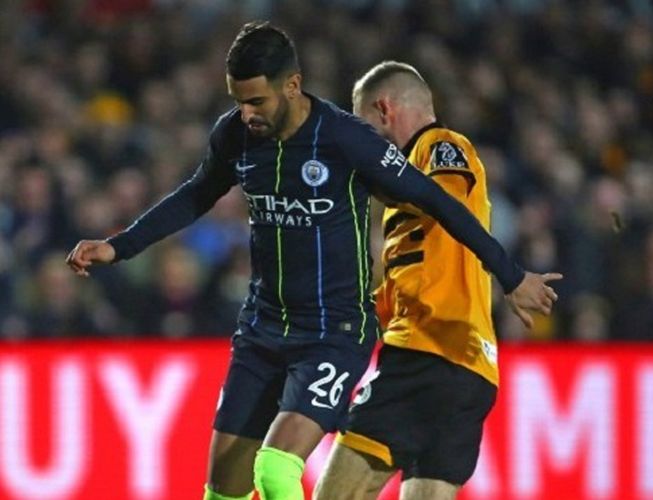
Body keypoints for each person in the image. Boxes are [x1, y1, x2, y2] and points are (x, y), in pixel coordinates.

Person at [66, 24, 560, 500]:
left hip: (333, 331)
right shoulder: (235, 136)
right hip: (261, 330)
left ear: (293, 85)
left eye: (257, 101)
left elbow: (440, 202)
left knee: (276, 470)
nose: (247, 113)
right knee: (222, 487)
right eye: (238, 101)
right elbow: (197, 194)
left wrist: (511, 275)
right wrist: (121, 245)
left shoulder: (346, 138)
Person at [314, 62, 561, 500]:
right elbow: (419, 267)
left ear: (384, 110)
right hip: (468, 369)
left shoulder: (440, 146)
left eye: (364, 126)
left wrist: (510, 276)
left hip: (426, 352)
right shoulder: (407, 190)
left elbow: (447, 205)